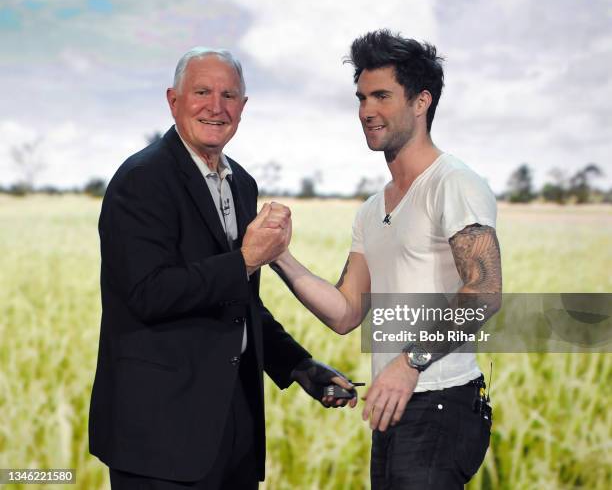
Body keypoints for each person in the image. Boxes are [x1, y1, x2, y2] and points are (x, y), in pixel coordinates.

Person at [88, 47, 356, 490]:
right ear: (173, 101)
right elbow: (147, 293)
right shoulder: (141, 181)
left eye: (229, 95)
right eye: (202, 92)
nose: (216, 107)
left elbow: (240, 300)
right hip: (161, 438)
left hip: (233, 433)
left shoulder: (241, 182)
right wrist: (248, 258)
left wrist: (299, 366)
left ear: (243, 108)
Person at [271, 30, 502, 489]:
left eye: (381, 96)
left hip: (441, 403)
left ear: (421, 102)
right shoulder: (371, 210)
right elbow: (346, 312)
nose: (366, 111)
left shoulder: (453, 183)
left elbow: (485, 294)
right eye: (361, 98)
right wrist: (280, 258)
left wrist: (407, 362)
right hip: (393, 406)